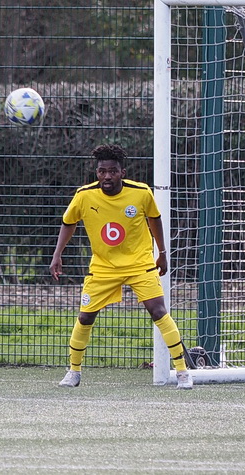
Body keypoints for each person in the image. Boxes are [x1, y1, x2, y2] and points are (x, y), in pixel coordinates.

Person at [50, 144, 193, 390]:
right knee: (85, 317)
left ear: (122, 172)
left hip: (139, 264)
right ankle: (73, 371)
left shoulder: (140, 192)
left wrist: (162, 253)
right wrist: (57, 254)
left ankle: (182, 372)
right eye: (102, 171)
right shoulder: (84, 195)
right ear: (97, 173)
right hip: (103, 267)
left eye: (112, 171)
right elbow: (68, 222)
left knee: (158, 311)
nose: (107, 176)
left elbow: (154, 220)